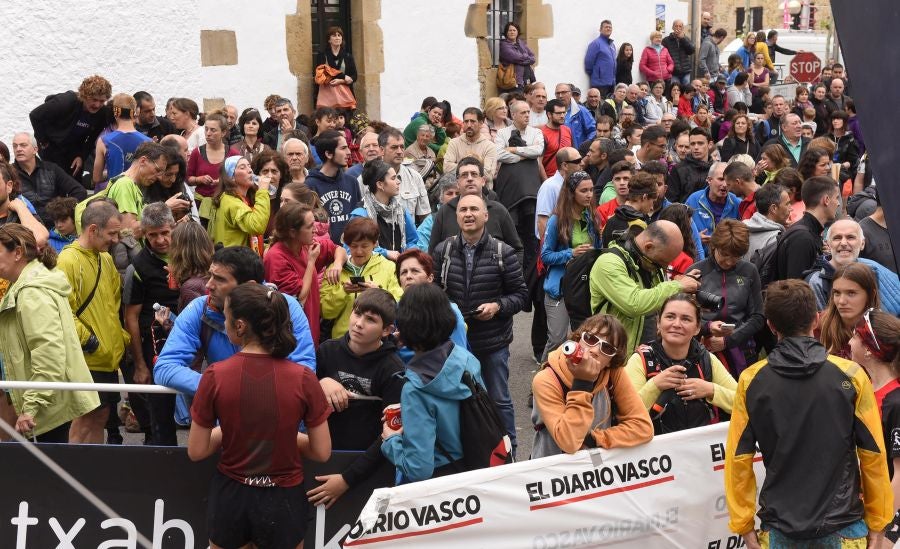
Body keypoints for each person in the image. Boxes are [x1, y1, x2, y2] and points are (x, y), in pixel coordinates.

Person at [725, 279, 893, 548]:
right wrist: (879, 521)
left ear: (770, 325)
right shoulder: (851, 375)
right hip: (843, 525)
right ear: (816, 320)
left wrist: (743, 523)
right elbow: (873, 455)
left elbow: (738, 459)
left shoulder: (751, 379)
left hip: (780, 526)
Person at [188, 282, 330, 549]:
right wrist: (284, 435)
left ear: (239, 326)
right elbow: (322, 452)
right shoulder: (303, 378)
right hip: (284, 498)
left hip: (232, 495)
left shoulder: (215, 375)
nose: (224, 320)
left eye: (226, 315)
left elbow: (196, 450)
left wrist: (231, 430)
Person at [154, 246, 317, 426]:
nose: (208, 285)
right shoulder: (199, 308)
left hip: (280, 427)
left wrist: (250, 393)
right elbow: (165, 367)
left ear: (250, 285)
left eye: (220, 279)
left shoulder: (287, 306)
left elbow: (304, 369)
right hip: (227, 429)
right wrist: (222, 387)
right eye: (210, 275)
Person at [432, 193, 528, 454]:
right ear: (456, 216)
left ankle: (510, 452)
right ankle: (471, 455)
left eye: (474, 209)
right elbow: (434, 292)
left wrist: (498, 307)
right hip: (454, 346)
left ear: (486, 215)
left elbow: (520, 295)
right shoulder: (444, 250)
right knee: (458, 400)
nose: (468, 214)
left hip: (492, 342)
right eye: (463, 209)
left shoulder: (503, 252)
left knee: (498, 400)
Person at [0, 224, 100, 443]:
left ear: (17, 253)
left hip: (46, 408)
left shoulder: (32, 292)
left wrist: (31, 406)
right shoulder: (32, 282)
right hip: (49, 403)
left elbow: (48, 353)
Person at [309, 288, 404, 507]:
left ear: (387, 330)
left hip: (367, 466)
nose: (359, 323)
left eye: (370, 320)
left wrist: (347, 479)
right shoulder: (327, 351)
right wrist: (320, 384)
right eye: (357, 313)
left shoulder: (393, 370)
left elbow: (389, 437)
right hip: (324, 455)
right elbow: (302, 403)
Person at [381, 283, 485, 482]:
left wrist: (391, 441)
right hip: (476, 465)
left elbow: (419, 468)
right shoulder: (465, 358)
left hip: (442, 483)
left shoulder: (415, 389)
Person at [56, 200, 128, 444]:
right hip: (86, 357)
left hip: (106, 357)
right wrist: (91, 341)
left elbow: (113, 304)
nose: (116, 239)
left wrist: (120, 339)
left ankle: (91, 473)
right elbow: (62, 311)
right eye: (112, 233)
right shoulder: (67, 262)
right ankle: (71, 476)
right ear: (93, 229)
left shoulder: (105, 259)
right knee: (85, 419)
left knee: (101, 415)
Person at [531, 313, 652, 458]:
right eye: (590, 339)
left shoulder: (613, 372)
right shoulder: (547, 379)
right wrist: (583, 383)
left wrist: (596, 439)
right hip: (553, 468)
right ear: (578, 339)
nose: (595, 350)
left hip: (594, 462)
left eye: (607, 349)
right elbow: (569, 442)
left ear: (612, 360)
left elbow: (643, 427)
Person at [625, 294, 736, 434]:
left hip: (702, 449)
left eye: (686, 319)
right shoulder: (640, 360)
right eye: (670, 317)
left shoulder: (707, 359)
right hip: (656, 451)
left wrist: (711, 390)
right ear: (659, 323)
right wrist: (655, 385)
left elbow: (744, 403)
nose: (676, 324)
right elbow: (626, 414)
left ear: (697, 328)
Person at [590, 220, 701, 353]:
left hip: (644, 358)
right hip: (611, 357)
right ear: (648, 247)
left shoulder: (650, 262)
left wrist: (686, 294)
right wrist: (677, 286)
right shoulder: (608, 263)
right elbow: (634, 304)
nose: (664, 267)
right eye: (661, 262)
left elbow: (658, 299)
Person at [122, 204, 179, 445]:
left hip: (189, 342)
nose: (160, 240)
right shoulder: (138, 268)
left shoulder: (187, 254)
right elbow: (130, 318)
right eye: (153, 234)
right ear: (144, 233)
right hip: (155, 346)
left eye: (165, 232)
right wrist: (140, 365)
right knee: (161, 413)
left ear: (173, 228)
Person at [689, 220, 764, 377]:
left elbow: (758, 316)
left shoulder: (749, 271)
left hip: (742, 350)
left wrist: (727, 341)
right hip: (701, 348)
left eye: (736, 257)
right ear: (714, 246)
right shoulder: (696, 272)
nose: (729, 262)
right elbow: (683, 316)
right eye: (724, 254)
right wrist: (707, 327)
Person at [540, 172, 601, 361]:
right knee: (557, 339)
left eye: (591, 190)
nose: (589, 195)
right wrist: (571, 253)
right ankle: (542, 383)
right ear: (571, 193)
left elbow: (598, 250)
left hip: (584, 287)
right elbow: (546, 255)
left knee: (584, 339)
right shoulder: (556, 220)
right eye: (584, 191)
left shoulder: (591, 217)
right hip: (559, 289)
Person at [264, 202, 342, 345]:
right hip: (294, 339)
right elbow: (299, 299)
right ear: (293, 232)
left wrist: (337, 264)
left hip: (312, 334)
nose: (315, 230)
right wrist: (311, 262)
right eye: (309, 226)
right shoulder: (276, 257)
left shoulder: (306, 244)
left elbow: (338, 249)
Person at [848, 309, 900, 507]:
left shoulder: (895, 402)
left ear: (869, 348)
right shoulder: (862, 390)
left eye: (855, 336)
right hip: (865, 505)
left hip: (887, 516)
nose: (850, 342)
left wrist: (884, 527)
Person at [320, 217, 403, 339]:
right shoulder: (335, 270)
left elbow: (398, 304)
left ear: (375, 244)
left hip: (377, 340)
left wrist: (378, 294)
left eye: (364, 246)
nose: (359, 251)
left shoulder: (389, 267)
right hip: (342, 340)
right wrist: (342, 292)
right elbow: (325, 312)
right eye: (354, 246)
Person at [805, 219, 900, 315]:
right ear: (828, 244)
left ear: (862, 244)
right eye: (837, 238)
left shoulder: (873, 269)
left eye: (850, 237)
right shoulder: (816, 282)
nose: (843, 243)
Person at [29, 74, 111, 177]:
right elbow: (35, 115)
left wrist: (81, 156)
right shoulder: (66, 101)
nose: (97, 105)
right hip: (52, 145)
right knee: (55, 180)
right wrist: (43, 141)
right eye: (94, 100)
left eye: (102, 101)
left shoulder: (102, 113)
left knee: (75, 179)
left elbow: (91, 140)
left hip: (73, 148)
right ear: (84, 96)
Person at [494, 99, 544, 267]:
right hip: (510, 189)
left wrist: (515, 150)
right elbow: (499, 154)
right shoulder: (502, 134)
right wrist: (526, 154)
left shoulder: (536, 132)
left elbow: (538, 150)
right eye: (523, 112)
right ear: (513, 115)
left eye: (528, 112)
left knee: (530, 230)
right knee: (512, 229)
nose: (527, 115)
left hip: (530, 190)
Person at [10, 132, 86, 224]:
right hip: (24, 230)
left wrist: (64, 212)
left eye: (23, 145)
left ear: (35, 149)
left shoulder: (51, 169)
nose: (18, 149)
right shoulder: (9, 173)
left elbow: (79, 191)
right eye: (15, 146)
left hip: (55, 228)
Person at [774, 176, 840, 281]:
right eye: (837, 198)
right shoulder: (802, 238)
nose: (838, 203)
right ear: (826, 200)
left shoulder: (810, 232)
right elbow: (796, 288)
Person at [350, 159, 418, 257]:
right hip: (372, 270)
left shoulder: (401, 211)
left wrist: (408, 254)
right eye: (393, 178)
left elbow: (412, 240)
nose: (398, 182)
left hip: (400, 267)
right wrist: (385, 253)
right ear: (380, 184)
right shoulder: (360, 215)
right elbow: (351, 250)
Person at [303, 130, 361, 244]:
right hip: (324, 250)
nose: (349, 152)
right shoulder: (310, 185)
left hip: (351, 250)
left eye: (347, 147)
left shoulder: (352, 182)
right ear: (328, 154)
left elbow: (358, 218)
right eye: (343, 148)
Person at [206, 156, 271, 255]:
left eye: (249, 166)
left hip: (234, 259)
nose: (249, 170)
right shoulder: (231, 202)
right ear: (231, 176)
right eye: (242, 167)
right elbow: (257, 226)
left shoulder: (239, 199)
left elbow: (247, 237)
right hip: (234, 264)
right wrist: (262, 191)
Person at [92, 93, 152, 188]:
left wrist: (112, 171)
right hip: (137, 197)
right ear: (134, 113)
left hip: (113, 197)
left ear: (116, 113)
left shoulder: (104, 140)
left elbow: (96, 178)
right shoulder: (149, 142)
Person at [379, 128, 431, 224]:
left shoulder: (415, 177)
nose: (399, 151)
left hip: (408, 237)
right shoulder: (367, 178)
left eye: (402, 147)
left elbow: (426, 218)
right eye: (394, 147)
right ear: (382, 150)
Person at [187, 113, 240, 200]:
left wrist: (223, 182)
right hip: (201, 202)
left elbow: (240, 180)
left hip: (225, 202)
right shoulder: (197, 152)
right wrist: (199, 179)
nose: (208, 133)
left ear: (223, 133)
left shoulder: (233, 154)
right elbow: (188, 179)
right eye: (206, 129)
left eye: (213, 130)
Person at [601, 171, 657, 245]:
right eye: (653, 201)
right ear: (645, 197)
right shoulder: (639, 225)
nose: (652, 207)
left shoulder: (610, 220)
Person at [743, 183, 791, 262]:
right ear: (774, 208)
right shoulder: (776, 239)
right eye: (787, 204)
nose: (791, 208)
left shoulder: (742, 227)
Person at [667, 127, 714, 203]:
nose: (696, 147)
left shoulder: (717, 169)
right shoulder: (678, 170)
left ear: (710, 144)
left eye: (700, 143)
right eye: (692, 144)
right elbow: (671, 201)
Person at [315, 26, 357, 109]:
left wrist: (341, 81)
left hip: (344, 96)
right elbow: (323, 72)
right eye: (334, 36)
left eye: (339, 35)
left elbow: (354, 76)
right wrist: (344, 77)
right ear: (329, 40)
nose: (337, 38)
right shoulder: (322, 55)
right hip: (327, 96)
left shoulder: (348, 56)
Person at [498, 21, 535, 92]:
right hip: (514, 81)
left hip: (526, 80)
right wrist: (526, 57)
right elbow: (515, 57)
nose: (512, 32)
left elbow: (533, 58)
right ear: (506, 32)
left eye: (514, 30)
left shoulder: (521, 43)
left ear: (517, 32)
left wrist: (523, 58)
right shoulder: (504, 45)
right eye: (510, 30)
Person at [539, 99, 573, 179]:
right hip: (550, 179)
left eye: (564, 112)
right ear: (549, 114)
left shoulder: (567, 130)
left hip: (567, 179)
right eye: (558, 113)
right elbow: (539, 162)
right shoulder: (541, 134)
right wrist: (546, 182)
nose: (562, 116)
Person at [555, 83, 596, 148]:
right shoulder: (552, 112)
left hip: (578, 154)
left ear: (570, 94)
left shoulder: (581, 111)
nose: (560, 96)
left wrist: (585, 147)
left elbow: (593, 130)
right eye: (557, 93)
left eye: (563, 92)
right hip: (559, 154)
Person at [584, 20, 616, 96]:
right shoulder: (596, 43)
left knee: (609, 105)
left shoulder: (612, 45)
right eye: (606, 27)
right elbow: (589, 62)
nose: (608, 29)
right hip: (599, 83)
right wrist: (597, 74)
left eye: (610, 27)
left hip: (611, 82)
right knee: (600, 105)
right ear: (600, 29)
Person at [662, 20, 695, 86]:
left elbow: (691, 51)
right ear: (672, 27)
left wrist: (683, 39)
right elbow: (663, 56)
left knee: (686, 90)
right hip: (674, 72)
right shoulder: (666, 40)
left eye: (680, 26)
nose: (678, 28)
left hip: (685, 71)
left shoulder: (686, 38)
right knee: (675, 89)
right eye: (676, 26)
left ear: (682, 28)